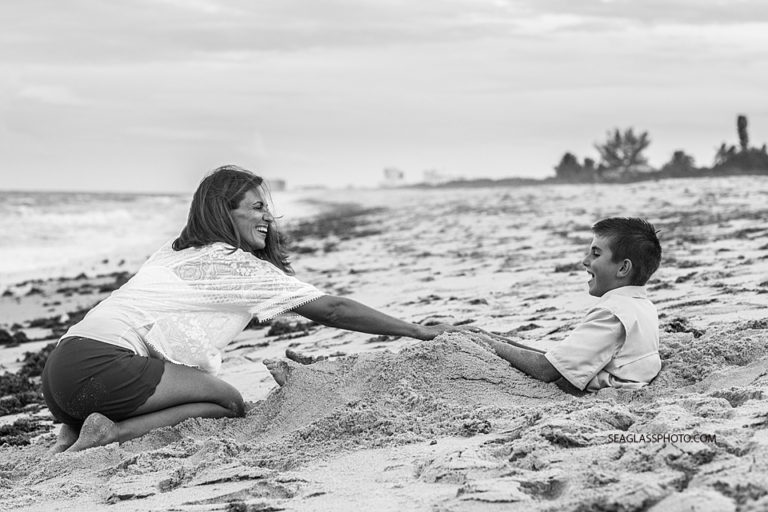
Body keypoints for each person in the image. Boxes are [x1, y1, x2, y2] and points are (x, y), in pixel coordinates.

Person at [42, 165, 461, 453]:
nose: (269, 218)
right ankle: (111, 432)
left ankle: (74, 428)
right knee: (227, 402)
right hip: (103, 368)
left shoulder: (171, 252)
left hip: (59, 371)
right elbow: (331, 310)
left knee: (159, 380)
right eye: (257, 208)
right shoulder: (229, 262)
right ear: (226, 213)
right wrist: (416, 330)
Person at [472, 217, 662, 393]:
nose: (585, 261)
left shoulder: (612, 313)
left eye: (595, 254)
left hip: (608, 395)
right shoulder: (642, 305)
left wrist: (482, 342)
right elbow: (557, 359)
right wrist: (487, 336)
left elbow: (546, 369)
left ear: (622, 268)